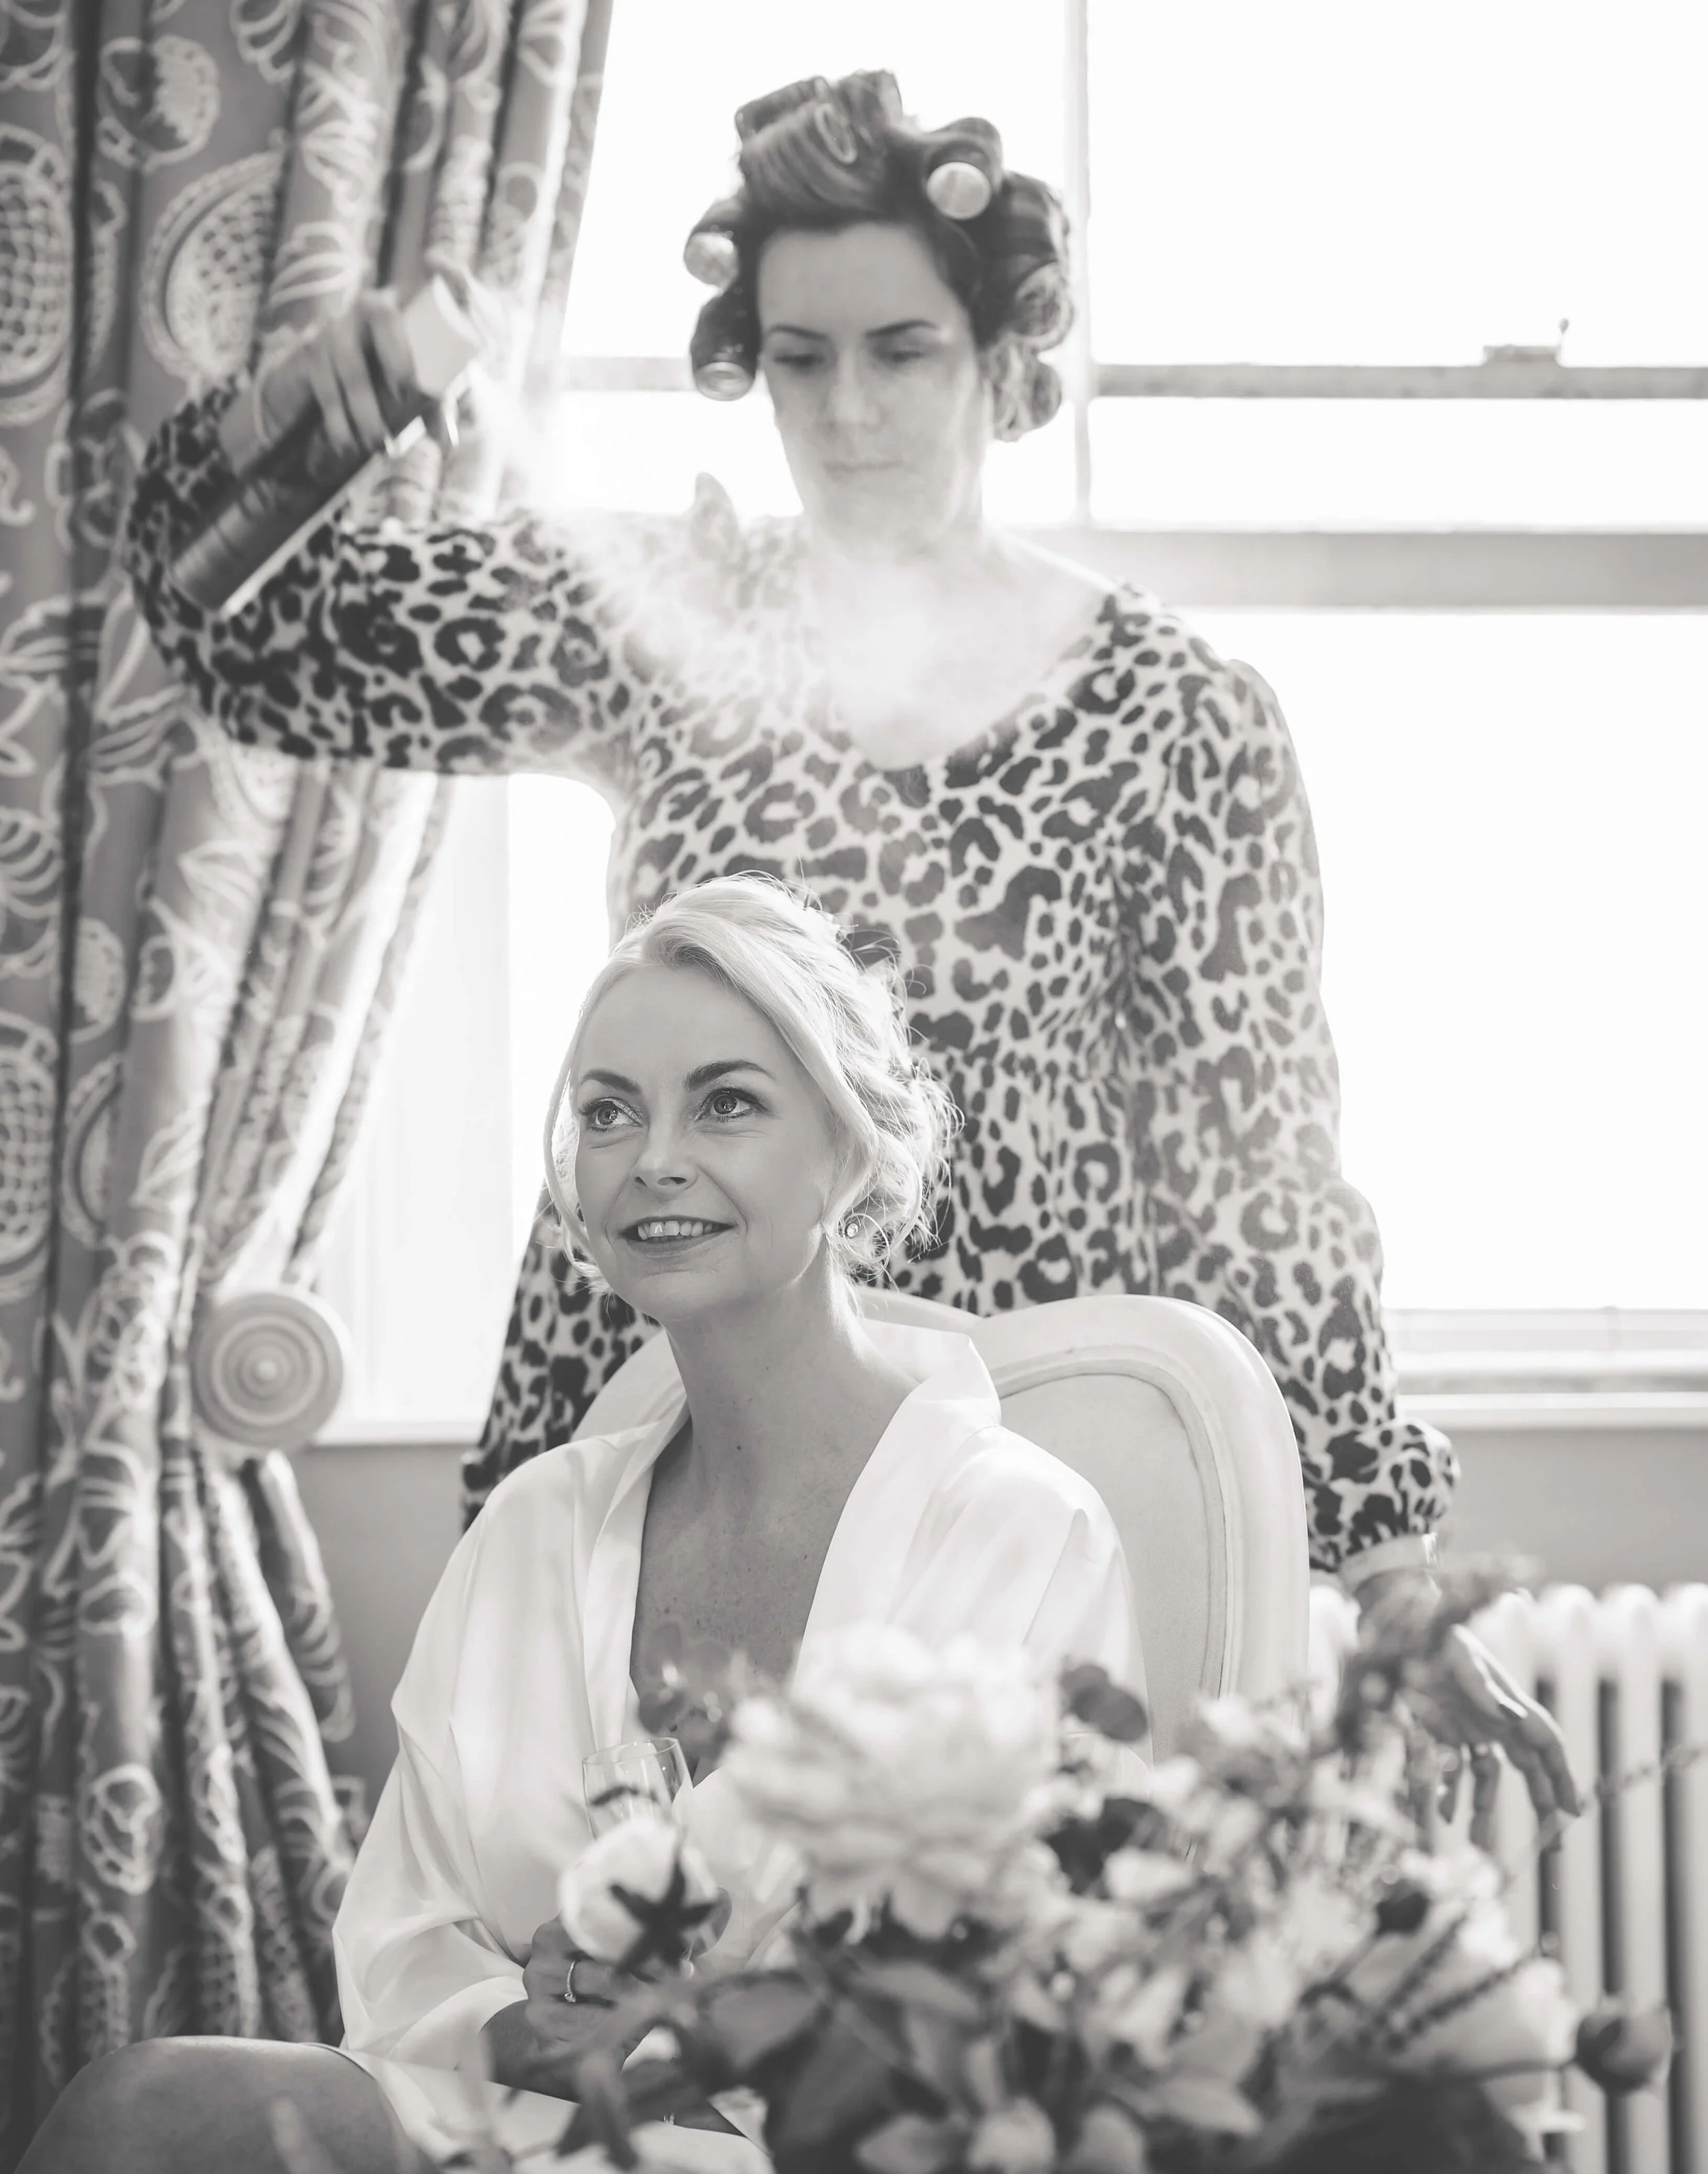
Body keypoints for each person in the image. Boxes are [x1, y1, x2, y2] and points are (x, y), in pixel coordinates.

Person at [121, 70, 1574, 1830]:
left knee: (936, 1999)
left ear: (1001, 357)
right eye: (798, 359)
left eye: (900, 350)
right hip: (657, 1421)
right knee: (589, 1960)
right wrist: (312, 414)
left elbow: (1259, 1170)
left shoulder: (1183, 721)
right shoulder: (658, 624)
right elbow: (239, 632)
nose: (848, 411)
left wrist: (1390, 1568)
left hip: (1020, 1473)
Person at [22, 878, 1138, 2173]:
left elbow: (1037, 1988)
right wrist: (522, 2032)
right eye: (610, 1112)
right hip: (515, 2117)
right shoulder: (534, 1524)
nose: (653, 1156)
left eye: (726, 1101)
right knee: (144, 2105)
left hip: (818, 2148)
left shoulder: (1019, 1532)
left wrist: (688, 2031)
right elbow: (402, 1933)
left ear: (846, 1148)